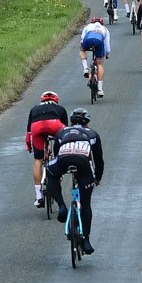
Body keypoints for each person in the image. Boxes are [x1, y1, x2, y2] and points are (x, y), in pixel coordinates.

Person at [44, 108, 105, 256]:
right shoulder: (93, 134)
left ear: (71, 122)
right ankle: (86, 241)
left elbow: (57, 154)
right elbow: (98, 160)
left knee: (49, 173)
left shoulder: (61, 132)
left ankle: (61, 206)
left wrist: (59, 174)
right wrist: (97, 178)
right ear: (88, 123)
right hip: (83, 162)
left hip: (64, 158)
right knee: (85, 203)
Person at [25, 91, 69, 207]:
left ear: (42, 100)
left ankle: (38, 196)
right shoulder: (60, 108)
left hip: (37, 127)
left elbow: (29, 133)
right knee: (60, 154)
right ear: (56, 100)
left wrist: (29, 147)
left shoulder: (34, 109)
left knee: (38, 160)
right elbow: (66, 132)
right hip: (54, 125)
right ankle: (58, 173)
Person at [79, 17, 111, 98]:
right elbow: (107, 44)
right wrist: (107, 53)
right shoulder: (105, 29)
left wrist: (83, 47)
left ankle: (85, 68)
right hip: (99, 41)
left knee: (82, 50)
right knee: (100, 64)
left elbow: (82, 38)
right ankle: (100, 89)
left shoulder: (87, 26)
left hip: (88, 39)